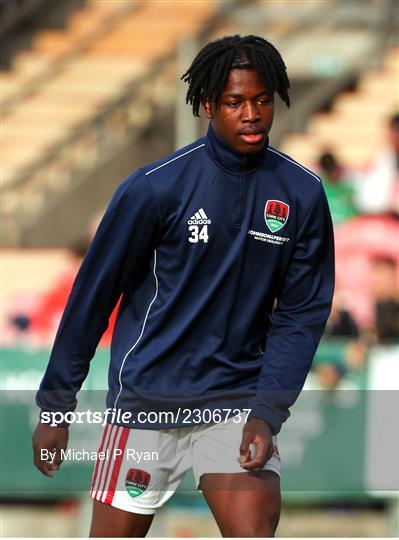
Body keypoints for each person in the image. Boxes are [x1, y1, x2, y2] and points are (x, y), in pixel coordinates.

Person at [32, 35, 334, 537]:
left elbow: (301, 313)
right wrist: (56, 407)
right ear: (209, 105)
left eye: (261, 100)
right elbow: (92, 299)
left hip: (234, 402)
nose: (252, 114)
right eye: (235, 102)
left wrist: (267, 411)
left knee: (254, 531)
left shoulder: (301, 193)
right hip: (147, 399)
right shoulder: (155, 188)